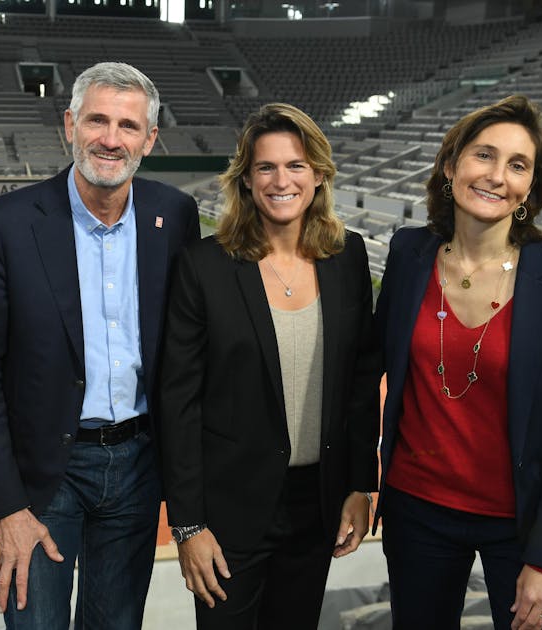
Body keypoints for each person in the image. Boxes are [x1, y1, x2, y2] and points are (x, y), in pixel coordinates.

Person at [0, 61, 200, 630]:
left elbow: (188, 355)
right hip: (41, 480)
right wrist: (8, 506)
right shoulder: (8, 223)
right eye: (97, 121)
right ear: (69, 125)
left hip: (138, 467)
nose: (111, 139)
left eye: (128, 126)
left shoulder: (174, 215)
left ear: (151, 138)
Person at [373, 95, 542, 630]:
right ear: (451, 165)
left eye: (518, 165)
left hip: (523, 526)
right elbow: (367, 369)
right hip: (418, 510)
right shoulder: (409, 254)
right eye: (484, 155)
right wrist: (359, 481)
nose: (497, 176)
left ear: (530, 187)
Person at [159, 103, 380, 629]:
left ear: (319, 174)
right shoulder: (204, 265)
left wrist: (360, 484)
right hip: (230, 512)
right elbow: (178, 401)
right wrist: (189, 525)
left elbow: (360, 381)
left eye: (296, 165)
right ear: (246, 179)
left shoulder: (348, 258)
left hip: (317, 503)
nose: (282, 180)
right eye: (266, 167)